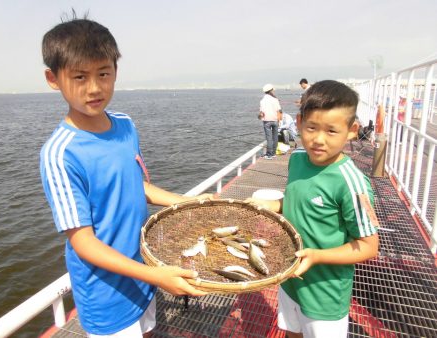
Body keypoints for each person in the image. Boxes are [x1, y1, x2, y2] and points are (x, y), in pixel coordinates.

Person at [40, 16, 210, 337]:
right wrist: (158, 277)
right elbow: (84, 243)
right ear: (53, 78)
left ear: (116, 71)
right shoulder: (61, 153)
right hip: (106, 292)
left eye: (103, 73)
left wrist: (190, 201)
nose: (94, 87)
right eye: (79, 76)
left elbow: (137, 186)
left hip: (143, 269)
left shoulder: (125, 125)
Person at [249, 80, 379, 337]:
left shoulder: (352, 183)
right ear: (298, 123)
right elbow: (298, 202)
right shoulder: (297, 159)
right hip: (290, 281)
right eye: (311, 128)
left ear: (352, 130)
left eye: (331, 131)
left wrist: (316, 256)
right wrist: (273, 205)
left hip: (325, 295)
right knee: (290, 333)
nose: (318, 140)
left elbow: (368, 246)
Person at [259, 83, 282, 159]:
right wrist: (279, 120)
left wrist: (259, 117)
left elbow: (262, 114)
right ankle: (273, 153)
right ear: (271, 90)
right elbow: (279, 111)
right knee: (275, 137)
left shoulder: (262, 101)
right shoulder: (275, 99)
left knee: (269, 138)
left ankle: (269, 154)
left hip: (267, 121)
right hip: (275, 120)